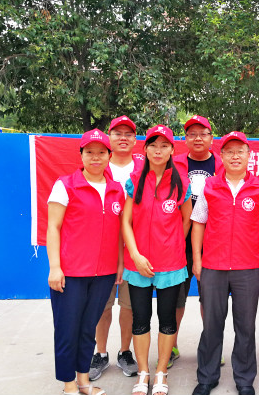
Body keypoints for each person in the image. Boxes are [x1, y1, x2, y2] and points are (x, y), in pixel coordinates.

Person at [191, 131, 259, 395]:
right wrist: (197, 259)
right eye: (229, 151)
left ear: (249, 155)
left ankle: (244, 379)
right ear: (222, 156)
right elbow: (198, 223)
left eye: (240, 151)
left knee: (245, 326)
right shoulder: (210, 187)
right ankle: (207, 377)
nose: (235, 156)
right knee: (211, 325)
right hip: (213, 266)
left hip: (247, 268)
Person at [47, 129, 125, 395]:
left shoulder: (116, 190)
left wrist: (119, 264)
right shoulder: (65, 185)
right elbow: (53, 227)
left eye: (101, 152)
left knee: (88, 328)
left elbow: (118, 232)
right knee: (67, 329)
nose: (95, 157)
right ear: (81, 155)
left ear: (109, 156)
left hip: (103, 273)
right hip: (71, 273)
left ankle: (83, 381)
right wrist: (55, 267)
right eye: (89, 152)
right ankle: (68, 384)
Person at [121, 125, 192, 395]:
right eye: (153, 145)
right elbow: (126, 222)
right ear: (145, 149)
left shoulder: (181, 182)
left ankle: (161, 372)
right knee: (140, 319)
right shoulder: (135, 180)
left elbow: (187, 219)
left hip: (171, 264)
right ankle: (143, 372)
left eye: (164, 146)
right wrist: (135, 255)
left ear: (172, 149)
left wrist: (172, 244)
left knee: (167, 319)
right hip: (138, 264)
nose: (158, 150)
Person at [89, 115, 143, 380]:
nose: (123, 138)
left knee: (130, 305)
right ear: (109, 138)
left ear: (135, 139)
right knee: (102, 305)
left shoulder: (143, 169)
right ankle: (100, 353)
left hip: (135, 249)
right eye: (117, 133)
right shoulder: (98, 166)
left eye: (128, 134)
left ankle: (125, 351)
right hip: (104, 249)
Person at [169, 115, 223, 368]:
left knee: (209, 300)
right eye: (192, 134)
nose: (197, 138)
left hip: (213, 241)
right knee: (176, 297)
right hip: (179, 239)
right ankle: (170, 346)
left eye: (203, 133)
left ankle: (211, 347)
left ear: (211, 138)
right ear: (185, 139)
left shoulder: (223, 165)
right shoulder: (173, 164)